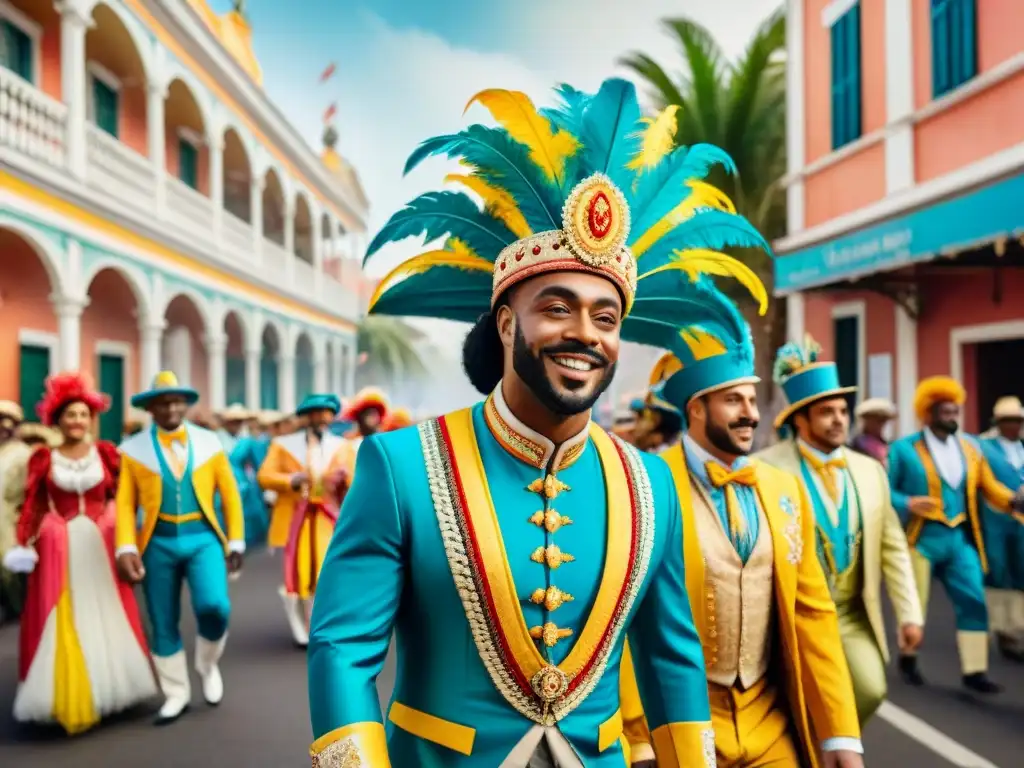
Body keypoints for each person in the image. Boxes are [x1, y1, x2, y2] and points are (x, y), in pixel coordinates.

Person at [303, 76, 791, 766]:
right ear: (506, 324)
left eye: (605, 317)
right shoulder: (400, 466)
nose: (585, 333)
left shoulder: (652, 484)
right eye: (557, 308)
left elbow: (671, 660)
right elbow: (342, 650)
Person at [632, 280, 862, 767]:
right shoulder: (647, 485)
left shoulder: (783, 488)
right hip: (682, 717)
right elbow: (630, 618)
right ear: (696, 408)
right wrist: (638, 737)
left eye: (753, 401)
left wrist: (841, 735)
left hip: (768, 714)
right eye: (734, 401)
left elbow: (812, 614)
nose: (751, 415)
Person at [755, 339, 922, 725]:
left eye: (842, 411)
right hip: (787, 616)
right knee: (788, 704)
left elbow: (894, 548)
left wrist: (909, 614)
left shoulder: (870, 470)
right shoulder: (764, 469)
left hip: (850, 613)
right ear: (800, 419)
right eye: (826, 412)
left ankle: (825, 743)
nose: (838, 420)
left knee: (870, 689)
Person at [3, 373, 157, 734]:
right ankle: (73, 690)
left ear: (92, 418)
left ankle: (111, 686)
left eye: (83, 414)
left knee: (107, 610)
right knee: (62, 614)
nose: (77, 421)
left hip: (101, 543)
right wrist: (24, 542)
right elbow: (32, 506)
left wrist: (126, 535)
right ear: (57, 420)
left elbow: (126, 495)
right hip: (60, 545)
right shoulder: (44, 458)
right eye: (70, 415)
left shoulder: (106, 454)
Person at [114, 371, 245, 724]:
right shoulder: (133, 450)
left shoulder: (210, 443)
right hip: (158, 542)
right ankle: (176, 692)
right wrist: (125, 545)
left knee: (215, 606)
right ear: (151, 409)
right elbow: (125, 503)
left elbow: (230, 494)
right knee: (162, 618)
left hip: (203, 537)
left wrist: (236, 538)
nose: (170, 408)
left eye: (176, 401)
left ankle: (207, 663)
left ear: (185, 405)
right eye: (162, 402)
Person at [888, 376, 1024, 693]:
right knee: (915, 606)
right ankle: (909, 658)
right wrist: (907, 502)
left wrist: (1014, 501)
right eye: (946, 412)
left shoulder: (970, 450)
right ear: (928, 413)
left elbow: (989, 488)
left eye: (955, 411)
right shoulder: (904, 450)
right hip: (920, 538)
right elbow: (883, 490)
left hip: (958, 539)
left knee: (974, 599)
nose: (952, 417)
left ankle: (974, 671)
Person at [259, 395, 355, 647]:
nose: (321, 419)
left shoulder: (342, 446)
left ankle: (320, 625)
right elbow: (265, 476)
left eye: (326, 413)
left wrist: (344, 481)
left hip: (330, 518)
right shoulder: (283, 445)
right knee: (299, 572)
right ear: (306, 417)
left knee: (327, 570)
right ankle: (302, 624)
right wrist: (291, 480)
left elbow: (356, 484)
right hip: (296, 519)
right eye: (315, 414)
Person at [978, 395, 1024, 660]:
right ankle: (1003, 631)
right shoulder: (985, 447)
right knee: (998, 572)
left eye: (1017, 420)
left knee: (1020, 573)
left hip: (1020, 522)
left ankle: (1016, 627)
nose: (1013, 426)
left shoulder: (1021, 448)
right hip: (995, 518)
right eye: (1008, 421)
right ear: (998, 422)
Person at [0, 400, 31, 621]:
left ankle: (16, 608)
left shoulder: (24, 454)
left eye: (8, 424)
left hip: (11, 519)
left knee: (9, 568)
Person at [231, 410, 277, 549]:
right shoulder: (247, 441)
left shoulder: (252, 441)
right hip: (241, 480)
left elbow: (260, 466)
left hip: (245, 481)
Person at [849, 398, 897, 466]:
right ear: (866, 420)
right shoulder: (858, 445)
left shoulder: (887, 445)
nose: (880, 424)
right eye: (877, 420)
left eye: (883, 420)